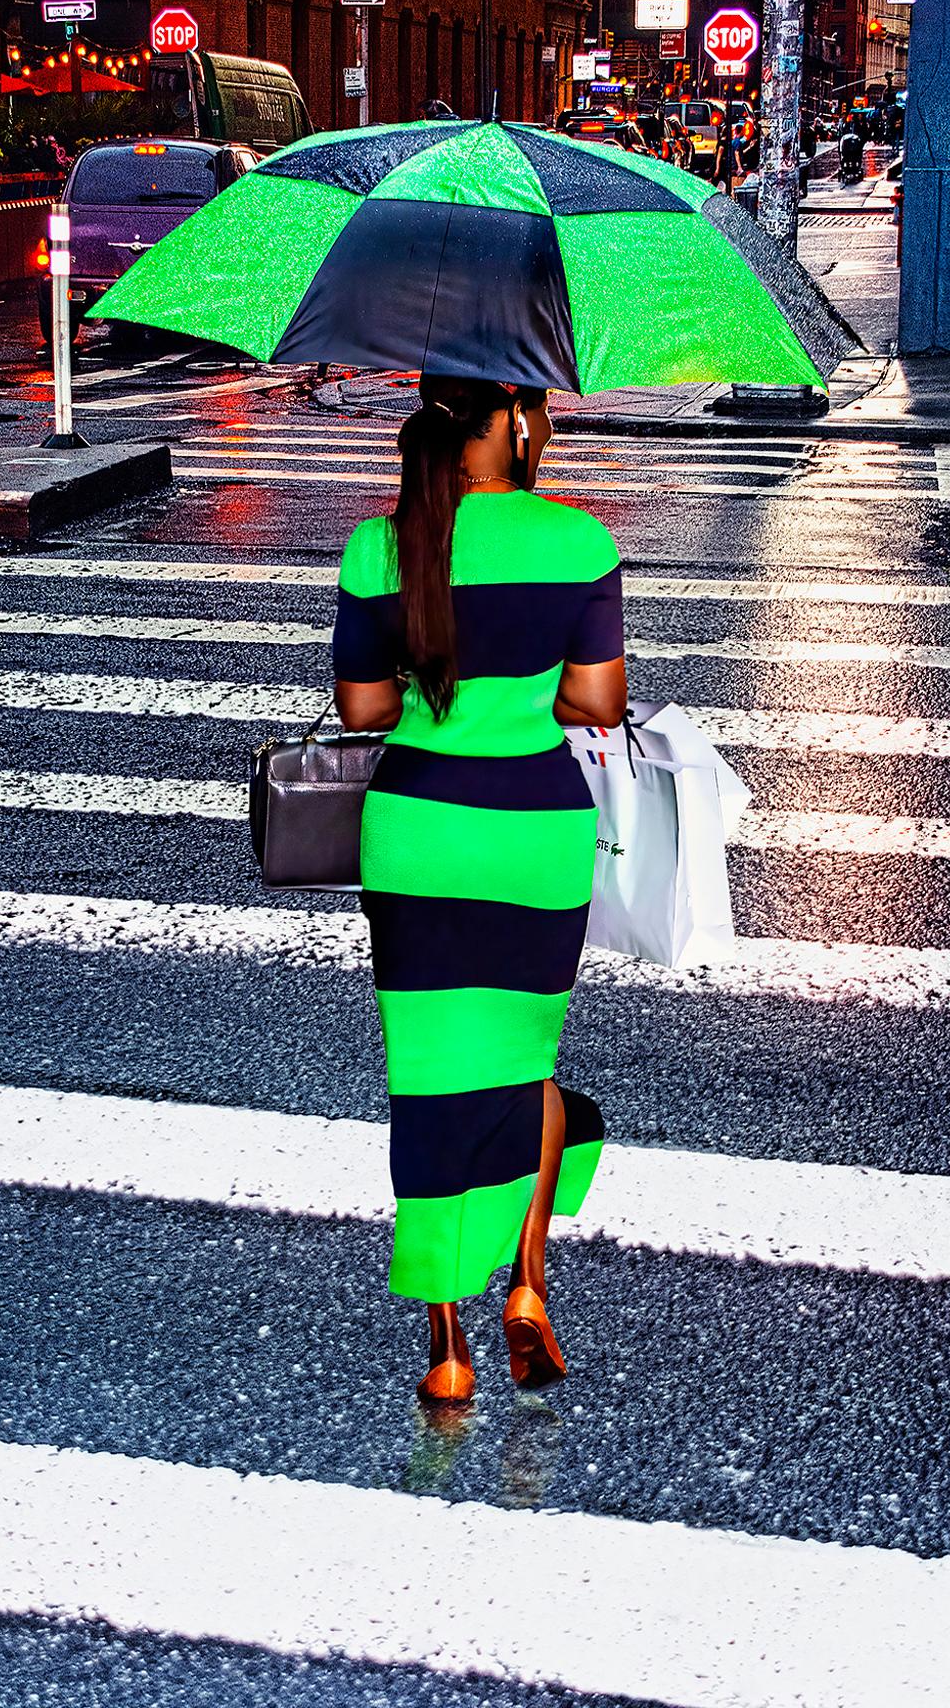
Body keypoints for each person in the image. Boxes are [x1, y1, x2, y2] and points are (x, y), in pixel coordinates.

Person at [333, 377, 627, 1408]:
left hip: (418, 837)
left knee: (431, 1077)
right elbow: (598, 698)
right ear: (510, 421)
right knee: (523, 1061)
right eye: (536, 410)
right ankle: (531, 1283)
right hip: (534, 837)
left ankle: (448, 1345)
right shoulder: (578, 541)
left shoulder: (379, 546)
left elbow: (363, 706)